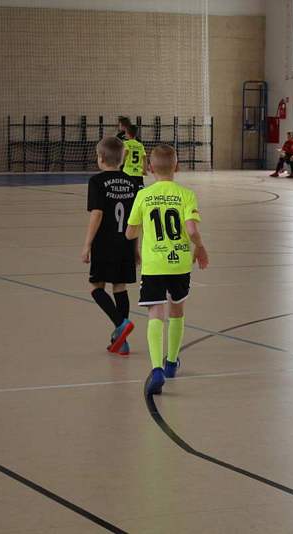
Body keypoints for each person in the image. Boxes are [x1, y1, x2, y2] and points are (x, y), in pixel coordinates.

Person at [125, 144, 208, 395]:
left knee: (155, 314)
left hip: (154, 265)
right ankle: (172, 362)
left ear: (150, 168)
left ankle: (157, 369)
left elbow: (130, 232)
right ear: (177, 167)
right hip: (179, 263)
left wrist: (139, 238)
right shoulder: (186, 195)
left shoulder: (143, 195)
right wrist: (200, 247)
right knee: (177, 310)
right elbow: (192, 230)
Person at [81, 137, 141, 357]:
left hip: (105, 243)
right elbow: (135, 219)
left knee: (96, 287)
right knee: (119, 287)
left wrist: (87, 244)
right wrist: (135, 247)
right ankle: (121, 342)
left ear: (100, 158)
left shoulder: (96, 181)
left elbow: (97, 214)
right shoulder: (132, 182)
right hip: (126, 242)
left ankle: (120, 324)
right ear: (123, 158)